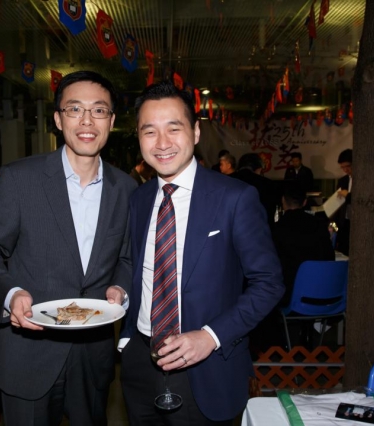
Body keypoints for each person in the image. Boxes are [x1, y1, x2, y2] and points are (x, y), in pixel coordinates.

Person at [0, 70, 136, 426]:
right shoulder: (20, 179)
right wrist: (10, 294)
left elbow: (126, 257)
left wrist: (121, 287)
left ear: (111, 121)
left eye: (99, 110)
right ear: (59, 119)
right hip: (28, 351)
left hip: (92, 355)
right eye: (75, 109)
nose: (87, 120)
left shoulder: (126, 188)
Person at [120, 81, 284, 424]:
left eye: (173, 128)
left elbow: (269, 283)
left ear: (195, 132)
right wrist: (126, 335)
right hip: (140, 363)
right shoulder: (139, 199)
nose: (161, 143)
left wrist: (211, 336)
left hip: (207, 366)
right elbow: (136, 269)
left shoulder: (235, 197)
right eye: (149, 131)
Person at [272, 181, 335, 306]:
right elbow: (329, 257)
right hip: (323, 293)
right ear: (305, 202)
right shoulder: (319, 225)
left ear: (283, 200)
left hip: (290, 296)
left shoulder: (277, 228)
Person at [231, 153, 280, 227]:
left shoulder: (227, 181)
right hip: (259, 228)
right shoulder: (268, 184)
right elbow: (270, 214)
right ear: (259, 169)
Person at [333, 149, 353, 255]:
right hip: (344, 222)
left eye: (348, 166)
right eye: (343, 167)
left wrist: (348, 195)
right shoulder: (343, 181)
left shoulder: (364, 181)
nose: (346, 170)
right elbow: (338, 204)